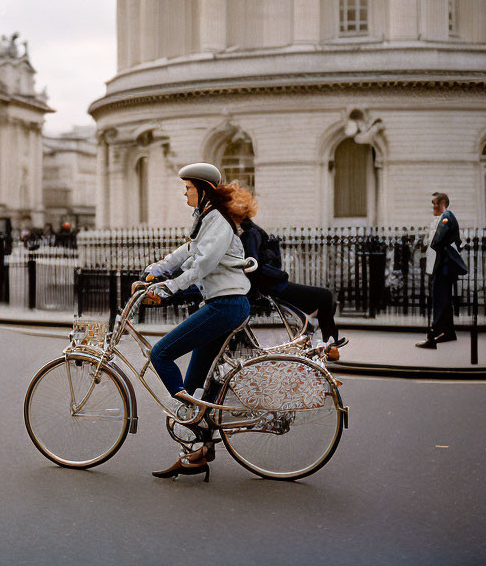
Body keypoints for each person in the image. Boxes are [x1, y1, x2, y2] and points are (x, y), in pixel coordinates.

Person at [144, 163, 254, 481]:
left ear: (203, 189)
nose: (185, 192)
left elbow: (202, 264)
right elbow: (188, 251)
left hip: (226, 306)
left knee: (160, 354)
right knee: (193, 388)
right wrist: (156, 269)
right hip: (221, 305)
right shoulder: (205, 219)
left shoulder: (217, 221)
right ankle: (199, 452)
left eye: (189, 187)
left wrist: (166, 289)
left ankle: (188, 415)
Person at [239, 217, 346, 349]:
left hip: (272, 285)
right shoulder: (251, 233)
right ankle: (327, 342)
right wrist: (281, 275)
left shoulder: (250, 232)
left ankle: (328, 340)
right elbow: (256, 265)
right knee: (325, 296)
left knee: (326, 297)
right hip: (274, 287)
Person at [416, 193, 467, 349]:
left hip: (443, 266)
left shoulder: (446, 216)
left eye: (435, 204)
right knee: (444, 299)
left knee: (439, 299)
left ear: (443, 203)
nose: (434, 207)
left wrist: (432, 244)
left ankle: (432, 337)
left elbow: (436, 240)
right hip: (444, 265)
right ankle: (448, 332)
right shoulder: (445, 217)